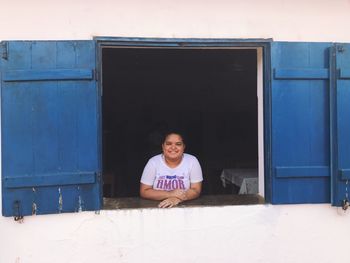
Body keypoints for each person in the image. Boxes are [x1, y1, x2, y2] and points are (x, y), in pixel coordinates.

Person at [140, 132, 203, 208]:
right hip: (157, 209)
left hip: (185, 209)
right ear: (163, 146)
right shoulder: (153, 162)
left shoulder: (192, 161)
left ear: (184, 147)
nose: (173, 147)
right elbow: (144, 191)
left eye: (178, 144)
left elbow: (196, 190)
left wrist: (177, 199)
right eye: (169, 143)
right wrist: (170, 194)